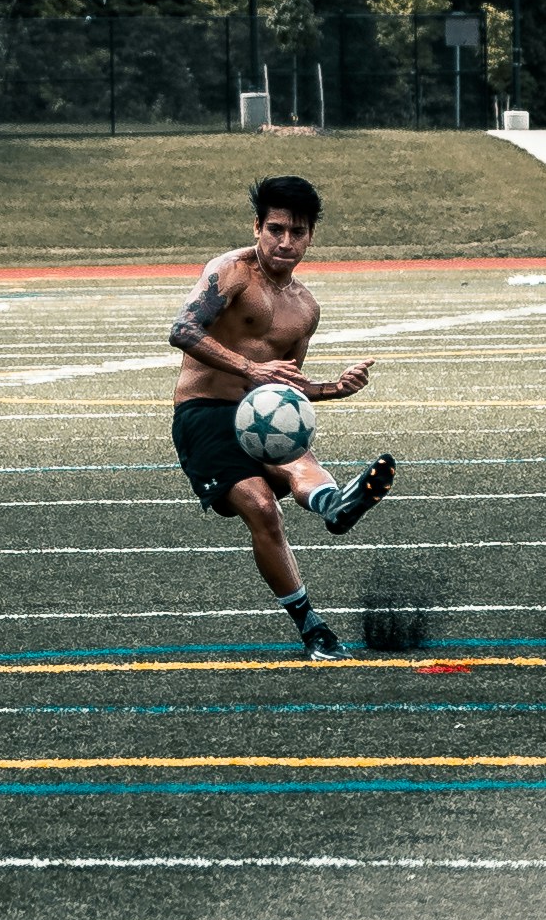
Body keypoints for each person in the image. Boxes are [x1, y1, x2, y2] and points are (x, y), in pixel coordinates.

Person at [168, 173, 396, 660]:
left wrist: (333, 389)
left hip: (262, 412)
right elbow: (182, 330)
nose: (285, 242)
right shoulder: (229, 272)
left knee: (298, 461)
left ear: (311, 236)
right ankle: (312, 627)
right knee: (262, 508)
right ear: (257, 227)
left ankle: (334, 504)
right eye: (276, 229)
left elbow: (288, 385)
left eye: (297, 232)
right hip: (204, 412)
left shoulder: (305, 308)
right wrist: (250, 367)